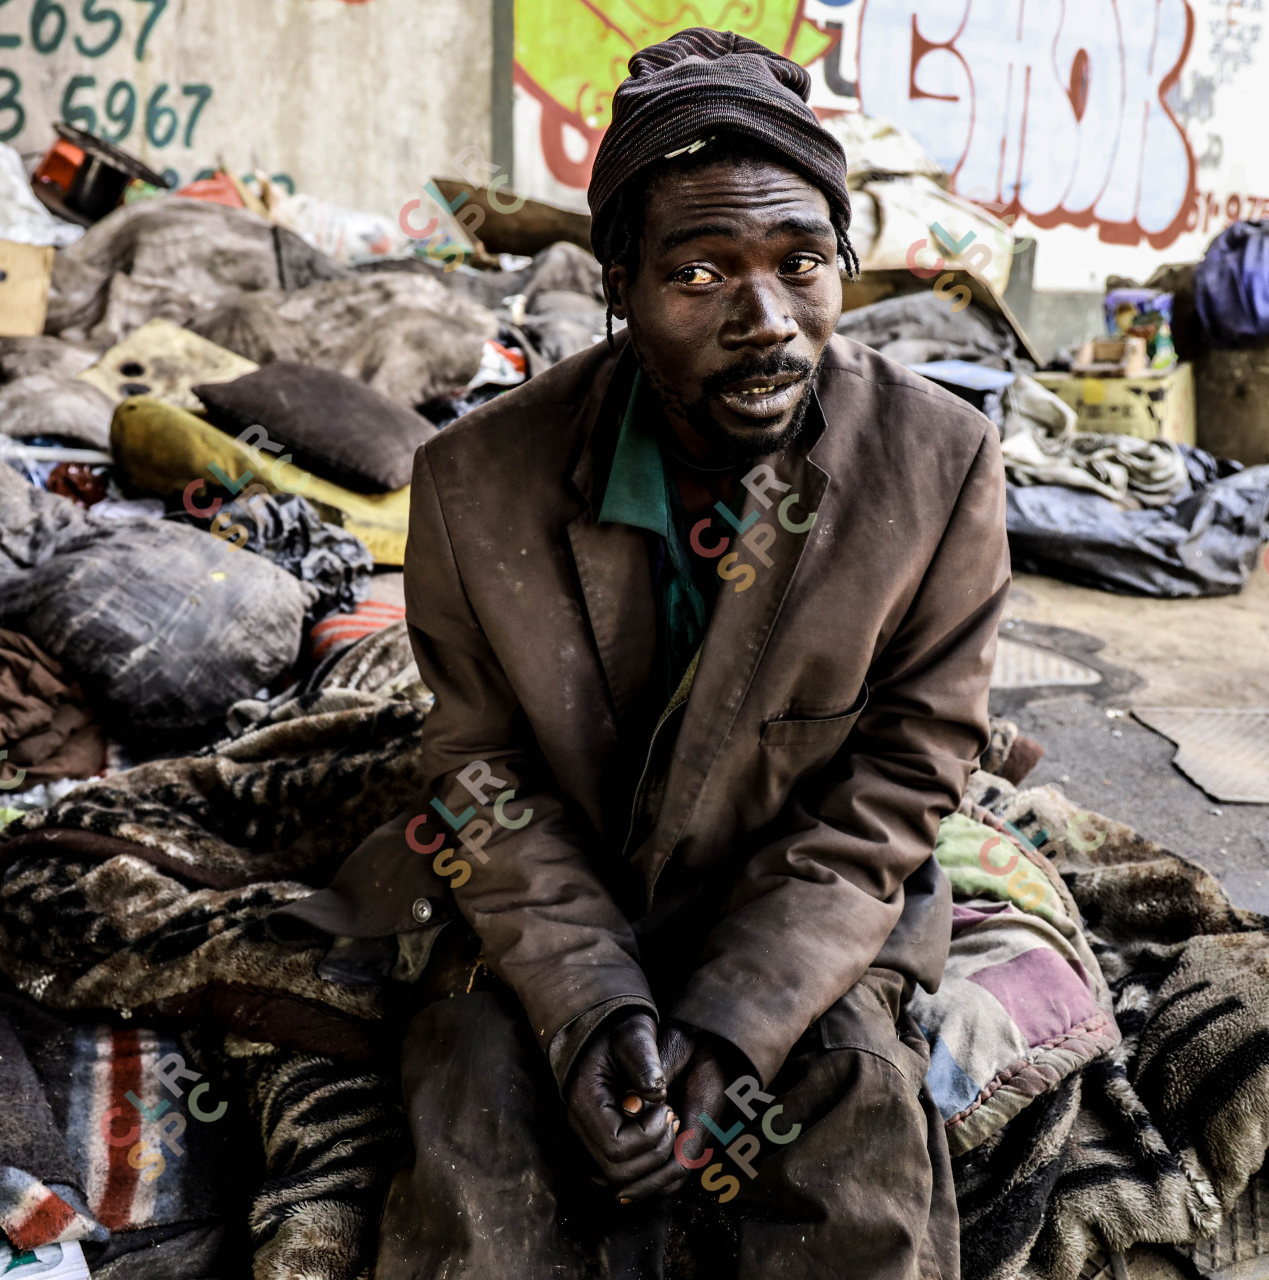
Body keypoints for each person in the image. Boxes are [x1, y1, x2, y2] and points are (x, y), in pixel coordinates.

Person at [280, 28, 1007, 1279]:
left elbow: (907, 771)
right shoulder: (475, 484)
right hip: (561, 901)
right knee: (476, 1122)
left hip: (804, 912)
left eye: (804, 262)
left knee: (857, 1132)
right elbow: (479, 775)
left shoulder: (937, 465)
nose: (768, 319)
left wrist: (738, 1020)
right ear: (617, 284)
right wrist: (589, 1008)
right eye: (702, 271)